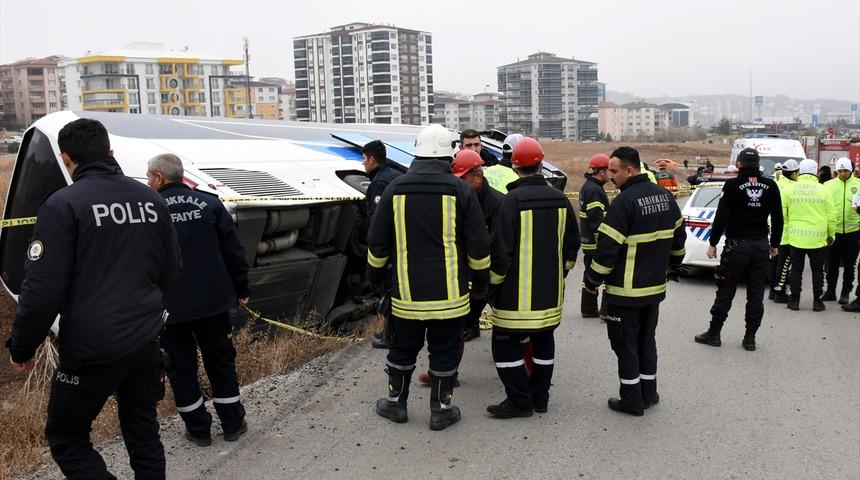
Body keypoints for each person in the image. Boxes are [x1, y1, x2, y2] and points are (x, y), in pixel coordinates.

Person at [5, 118, 180, 479]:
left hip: (91, 348)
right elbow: (171, 269)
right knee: (143, 432)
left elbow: (40, 293)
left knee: (67, 438)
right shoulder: (150, 199)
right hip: (145, 340)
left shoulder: (62, 205)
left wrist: (22, 348)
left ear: (66, 159)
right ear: (110, 152)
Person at [369, 124, 490, 431]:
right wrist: (481, 283)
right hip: (450, 297)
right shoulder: (461, 190)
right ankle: (441, 410)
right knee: (445, 351)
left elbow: (377, 243)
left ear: (417, 152)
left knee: (402, 348)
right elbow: (478, 244)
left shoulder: (395, 188)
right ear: (449, 154)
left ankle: (396, 405)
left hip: (407, 296)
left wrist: (376, 279)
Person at [146, 153, 252, 447]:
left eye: (148, 176)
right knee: (220, 361)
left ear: (159, 177)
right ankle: (232, 423)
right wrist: (241, 290)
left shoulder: (149, 211)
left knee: (181, 368)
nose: (147, 181)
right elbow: (235, 252)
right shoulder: (210, 203)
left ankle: (198, 430)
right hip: (213, 302)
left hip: (171, 308)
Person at [584, 146, 686, 417]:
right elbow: (679, 243)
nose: (610, 176)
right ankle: (648, 393)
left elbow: (607, 251)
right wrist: (673, 265)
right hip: (654, 290)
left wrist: (592, 281)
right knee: (646, 341)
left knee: (624, 345)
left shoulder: (624, 202)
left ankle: (631, 400)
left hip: (625, 292)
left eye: (614, 171)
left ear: (630, 170)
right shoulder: (666, 197)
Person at [486, 137, 579, 418]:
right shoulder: (561, 199)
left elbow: (500, 253)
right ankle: (540, 398)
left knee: (504, 345)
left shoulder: (511, 201)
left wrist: (492, 286)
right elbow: (572, 247)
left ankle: (519, 401)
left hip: (514, 299)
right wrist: (559, 274)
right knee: (543, 342)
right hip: (550, 295)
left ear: (515, 168)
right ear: (540, 164)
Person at [694, 148, 783, 351]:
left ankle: (714, 334)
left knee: (726, 291)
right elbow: (778, 218)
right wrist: (775, 245)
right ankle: (750, 338)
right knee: (755, 294)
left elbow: (721, 216)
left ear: (739, 164)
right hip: (760, 246)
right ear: (758, 164)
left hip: (737, 246)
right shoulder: (771, 185)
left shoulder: (732, 185)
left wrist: (713, 243)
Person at [361, 140, 402, 349]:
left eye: (364, 160)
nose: (363, 165)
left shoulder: (378, 183)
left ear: (371, 158)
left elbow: (378, 222)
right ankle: (388, 331)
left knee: (388, 291)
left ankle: (390, 336)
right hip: (401, 244)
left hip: (388, 248)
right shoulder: (395, 175)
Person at [784, 159, 836, 311]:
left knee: (796, 270)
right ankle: (817, 302)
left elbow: (784, 214)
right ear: (816, 171)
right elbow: (831, 215)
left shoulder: (790, 189)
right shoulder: (824, 190)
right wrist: (831, 235)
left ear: (800, 171)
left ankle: (794, 301)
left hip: (796, 237)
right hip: (818, 238)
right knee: (818, 270)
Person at [822, 158, 860, 304]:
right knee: (832, 264)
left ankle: (845, 293)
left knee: (850, 264)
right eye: (840, 171)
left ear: (851, 171)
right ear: (836, 171)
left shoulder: (858, 184)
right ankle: (830, 291)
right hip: (834, 231)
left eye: (846, 171)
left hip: (853, 230)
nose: (843, 174)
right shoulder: (828, 185)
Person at [579, 153, 611, 318]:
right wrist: (605, 243)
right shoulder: (595, 190)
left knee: (590, 276)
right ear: (602, 172)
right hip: (596, 244)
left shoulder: (588, 187)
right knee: (608, 275)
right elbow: (596, 219)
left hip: (588, 243)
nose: (611, 174)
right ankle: (606, 312)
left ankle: (589, 309)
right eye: (609, 171)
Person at [771, 159, 800, 303]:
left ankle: (773, 291)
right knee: (784, 264)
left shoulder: (776, 183)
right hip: (789, 232)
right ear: (794, 173)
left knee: (776, 263)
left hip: (776, 230)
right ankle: (779, 292)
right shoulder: (795, 187)